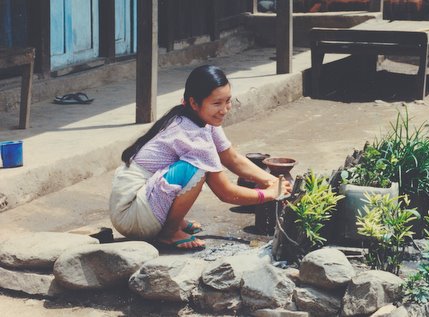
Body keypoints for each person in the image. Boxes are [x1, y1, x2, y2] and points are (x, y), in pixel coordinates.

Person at [109, 65, 292, 250]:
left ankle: (173, 221)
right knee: (196, 170)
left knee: (194, 168)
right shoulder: (194, 136)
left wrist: (275, 181)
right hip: (131, 215)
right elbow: (225, 193)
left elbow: (232, 158)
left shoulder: (199, 117)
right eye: (216, 103)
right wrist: (268, 194)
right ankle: (169, 233)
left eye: (227, 101)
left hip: (133, 202)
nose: (224, 109)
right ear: (194, 103)